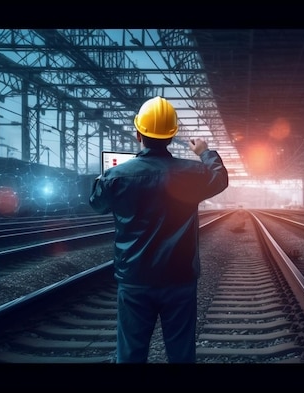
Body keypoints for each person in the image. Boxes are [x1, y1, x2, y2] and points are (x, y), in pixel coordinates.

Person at [89, 96, 229, 363]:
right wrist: (204, 152)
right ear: (172, 136)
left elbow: (97, 205)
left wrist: (103, 178)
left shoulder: (116, 176)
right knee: (180, 354)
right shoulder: (192, 172)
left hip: (135, 278)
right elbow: (220, 178)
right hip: (179, 277)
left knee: (130, 353)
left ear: (138, 134)